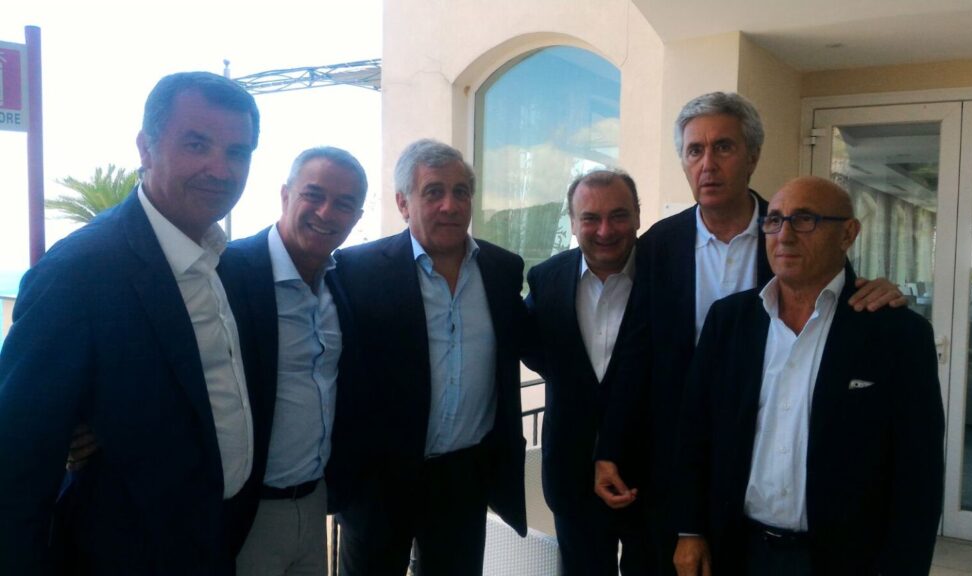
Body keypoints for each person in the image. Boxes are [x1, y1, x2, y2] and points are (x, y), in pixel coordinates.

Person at [594, 92, 906, 574]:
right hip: (676, 459)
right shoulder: (658, 245)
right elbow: (636, 353)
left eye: (723, 147)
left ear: (752, 156)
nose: (707, 164)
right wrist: (611, 447)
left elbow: (835, 298)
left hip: (763, 460)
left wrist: (880, 290)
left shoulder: (789, 234)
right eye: (694, 150)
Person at [0, 71, 260, 575]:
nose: (220, 169)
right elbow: (17, 468)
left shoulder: (219, 261)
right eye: (197, 145)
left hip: (213, 543)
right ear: (145, 148)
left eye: (238, 152)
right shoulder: (79, 272)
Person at [673, 176, 944, 575]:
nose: (784, 235)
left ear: (848, 234)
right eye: (774, 220)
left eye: (804, 220)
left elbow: (919, 474)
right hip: (737, 550)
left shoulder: (897, 334)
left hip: (844, 559)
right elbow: (695, 432)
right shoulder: (729, 321)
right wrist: (690, 530)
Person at [331, 139, 527, 576]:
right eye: (433, 192)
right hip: (379, 483)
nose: (449, 205)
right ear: (403, 203)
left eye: (461, 192)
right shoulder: (357, 270)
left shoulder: (502, 270)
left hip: (464, 479)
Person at [219, 147, 367, 576]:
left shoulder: (341, 282)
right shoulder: (227, 271)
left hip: (315, 502)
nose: (326, 212)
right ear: (285, 195)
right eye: (313, 195)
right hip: (246, 512)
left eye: (343, 204)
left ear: (356, 217)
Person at [523, 168, 653, 575]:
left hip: (651, 478)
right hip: (572, 475)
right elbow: (533, 349)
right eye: (590, 218)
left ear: (637, 216)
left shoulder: (667, 275)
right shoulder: (546, 279)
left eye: (618, 215)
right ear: (573, 222)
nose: (604, 230)